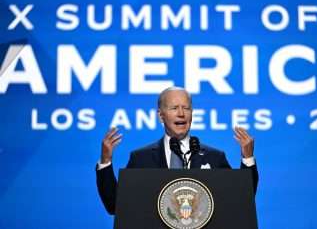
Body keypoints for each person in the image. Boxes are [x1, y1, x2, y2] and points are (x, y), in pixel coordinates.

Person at [96, 86, 258, 214]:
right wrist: (105, 162)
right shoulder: (141, 158)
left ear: (192, 114)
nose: (181, 114)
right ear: (161, 116)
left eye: (186, 108)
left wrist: (247, 159)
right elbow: (115, 206)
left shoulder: (214, 157)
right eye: (174, 108)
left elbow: (241, 202)